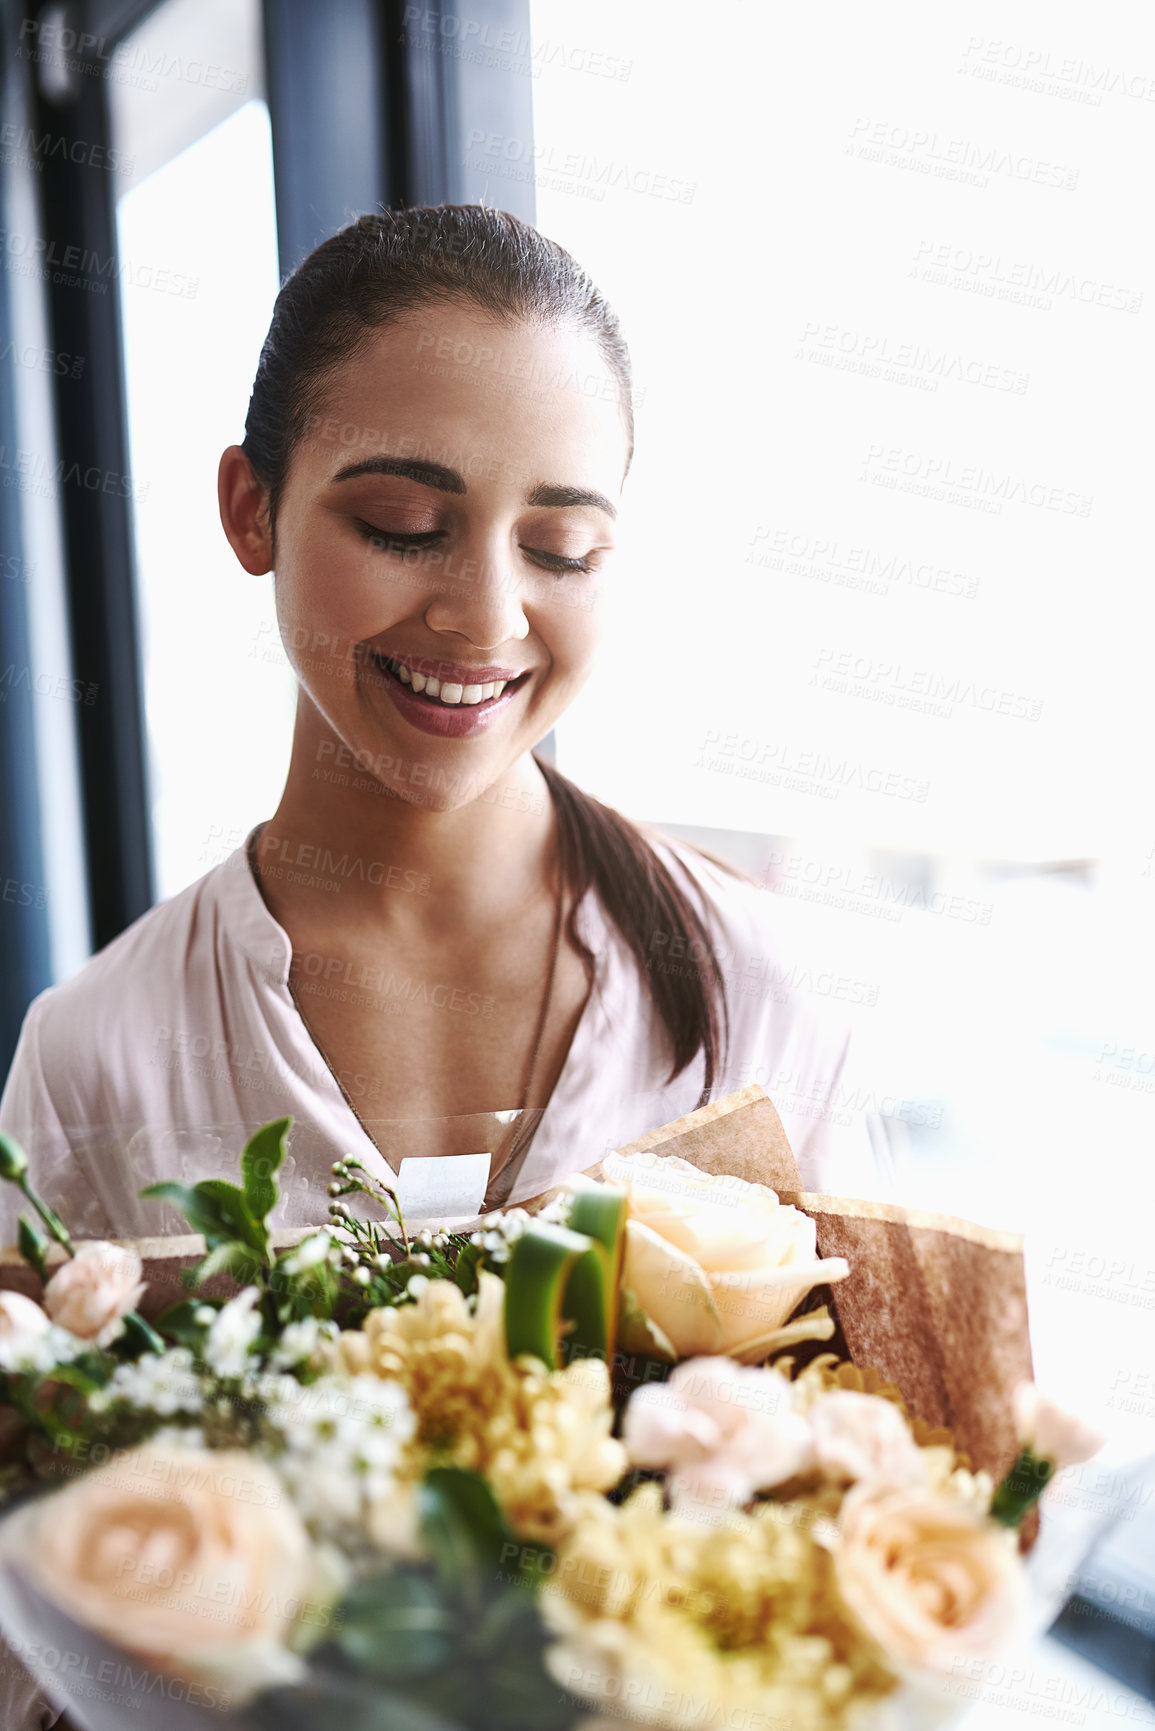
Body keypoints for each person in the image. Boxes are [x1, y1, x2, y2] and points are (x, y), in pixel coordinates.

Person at [0, 205, 865, 1253]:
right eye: (402, 527)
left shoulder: (758, 992)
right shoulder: (98, 1055)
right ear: (251, 508)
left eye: (560, 547)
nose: (487, 615)